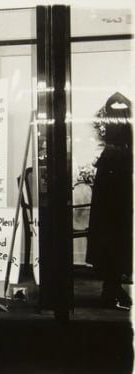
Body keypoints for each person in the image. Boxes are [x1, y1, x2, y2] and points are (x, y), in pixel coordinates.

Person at [87, 92, 132, 310]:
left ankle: (112, 287)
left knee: (113, 242)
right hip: (117, 207)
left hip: (111, 208)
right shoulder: (122, 149)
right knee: (116, 241)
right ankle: (112, 287)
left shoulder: (113, 151)